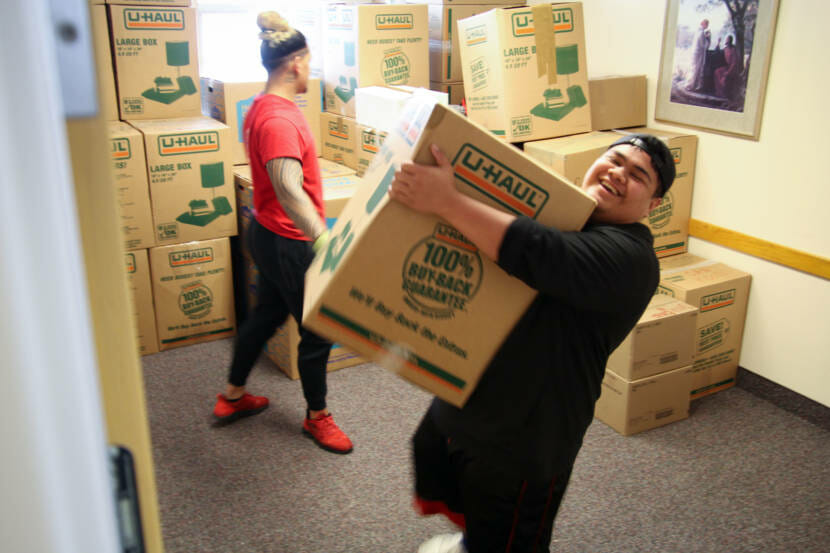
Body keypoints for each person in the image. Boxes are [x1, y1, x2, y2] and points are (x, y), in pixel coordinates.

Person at [389, 134, 676, 553]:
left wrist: (448, 201)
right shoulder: (565, 215)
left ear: (653, 205)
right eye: (614, 160)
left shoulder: (633, 261)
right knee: (458, 482)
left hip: (526, 436)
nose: (618, 172)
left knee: (509, 535)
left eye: (638, 176)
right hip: (472, 394)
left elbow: (541, 252)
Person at [211, 11, 353, 455]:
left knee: (267, 316)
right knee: (318, 330)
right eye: (309, 61)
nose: (311, 70)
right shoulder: (280, 122)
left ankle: (232, 397)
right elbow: (288, 187)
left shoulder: (261, 107)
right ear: (295, 63)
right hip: (290, 242)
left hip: (266, 232)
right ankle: (317, 418)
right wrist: (322, 236)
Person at [687, 18, 711, 92]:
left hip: (696, 53)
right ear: (703, 24)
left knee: (694, 69)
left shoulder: (698, 32)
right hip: (698, 54)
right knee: (696, 70)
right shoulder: (701, 33)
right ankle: (690, 86)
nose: (707, 26)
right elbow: (705, 46)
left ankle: (692, 86)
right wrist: (708, 38)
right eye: (706, 24)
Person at [714, 35, 740, 101]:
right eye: (727, 41)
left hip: (733, 69)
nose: (727, 43)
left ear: (731, 42)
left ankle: (724, 94)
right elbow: (717, 51)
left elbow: (734, 63)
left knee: (725, 76)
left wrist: (728, 72)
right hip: (727, 67)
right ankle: (719, 92)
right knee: (717, 71)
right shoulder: (725, 49)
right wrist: (718, 43)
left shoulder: (733, 49)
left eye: (729, 41)